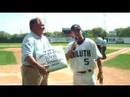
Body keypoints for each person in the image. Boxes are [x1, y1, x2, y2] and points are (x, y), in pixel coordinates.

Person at [21, 17, 51, 85]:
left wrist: (50, 66)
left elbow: (49, 52)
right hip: (32, 70)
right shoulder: (29, 39)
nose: (43, 24)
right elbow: (27, 56)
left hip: (44, 69)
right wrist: (39, 67)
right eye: (40, 22)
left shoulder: (44, 38)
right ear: (33, 26)